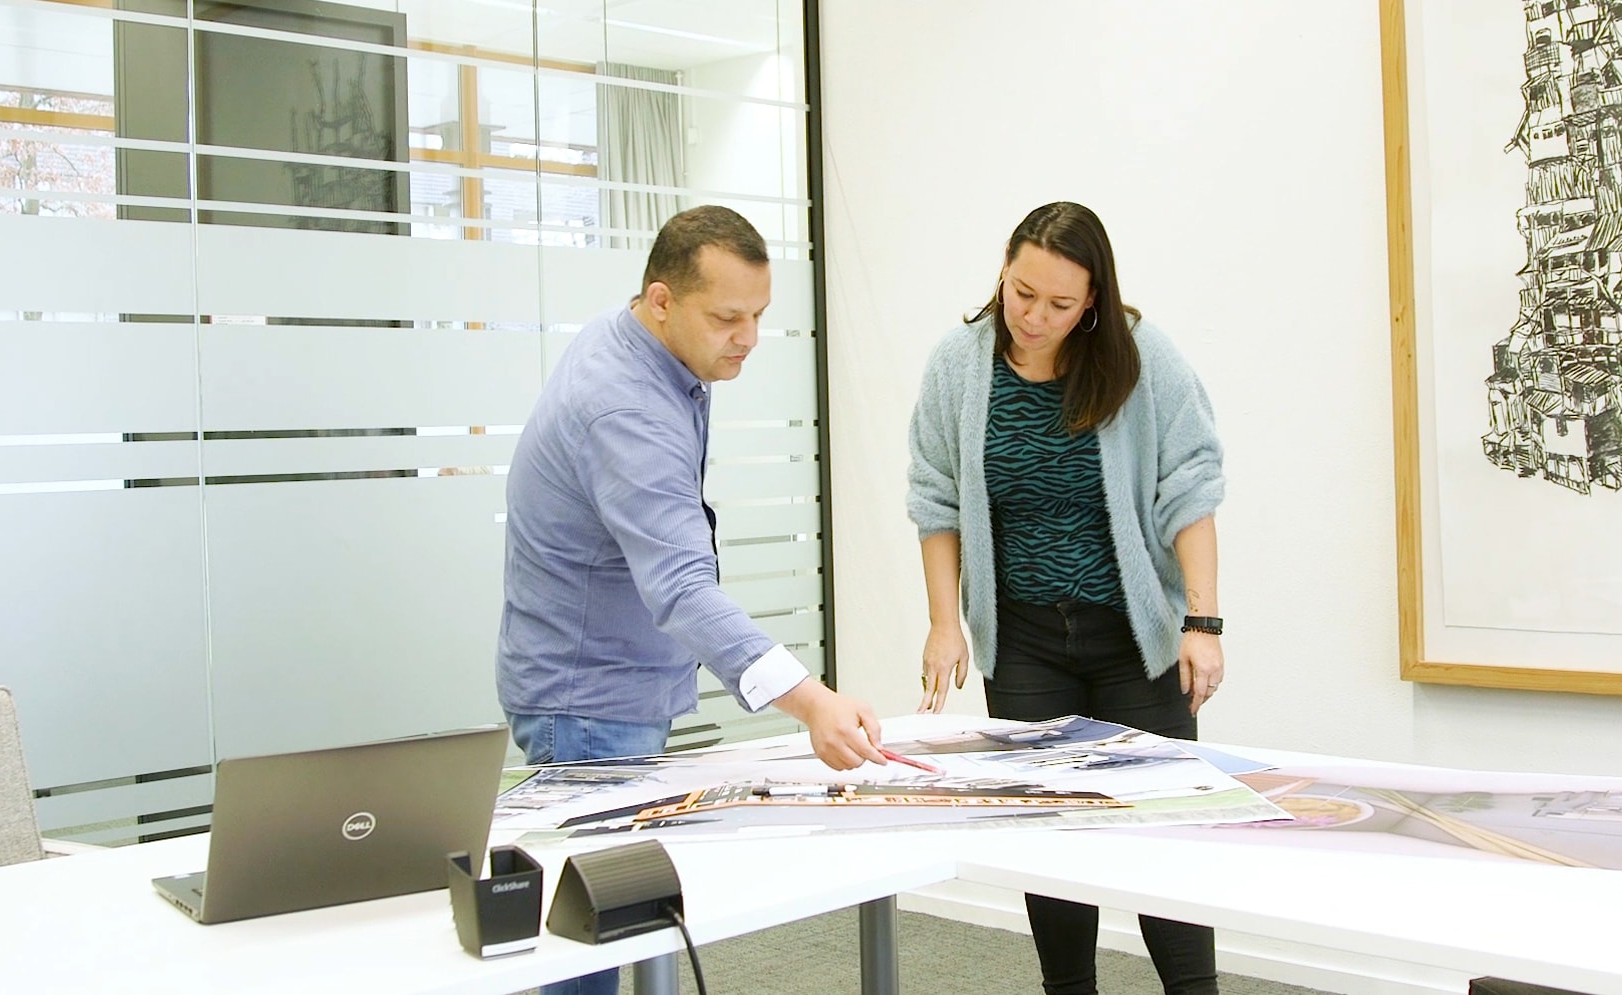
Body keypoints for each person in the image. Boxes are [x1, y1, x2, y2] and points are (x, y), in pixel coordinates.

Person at [498, 205, 888, 995]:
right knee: (589, 954)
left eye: (759, 316)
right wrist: (811, 701)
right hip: (586, 704)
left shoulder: (646, 346)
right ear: (663, 299)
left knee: (613, 933)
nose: (747, 337)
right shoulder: (627, 405)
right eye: (728, 318)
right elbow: (678, 584)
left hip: (603, 687)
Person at [907, 201, 1227, 995]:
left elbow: (1191, 486)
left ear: (1093, 300)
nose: (1034, 316)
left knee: (1165, 833)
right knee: (1051, 837)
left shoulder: (1140, 354)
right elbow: (935, 498)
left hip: (1136, 641)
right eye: (1022, 293)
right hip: (1025, 645)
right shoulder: (960, 364)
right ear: (1003, 274)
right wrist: (945, 624)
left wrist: (1203, 620)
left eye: (1059, 303)